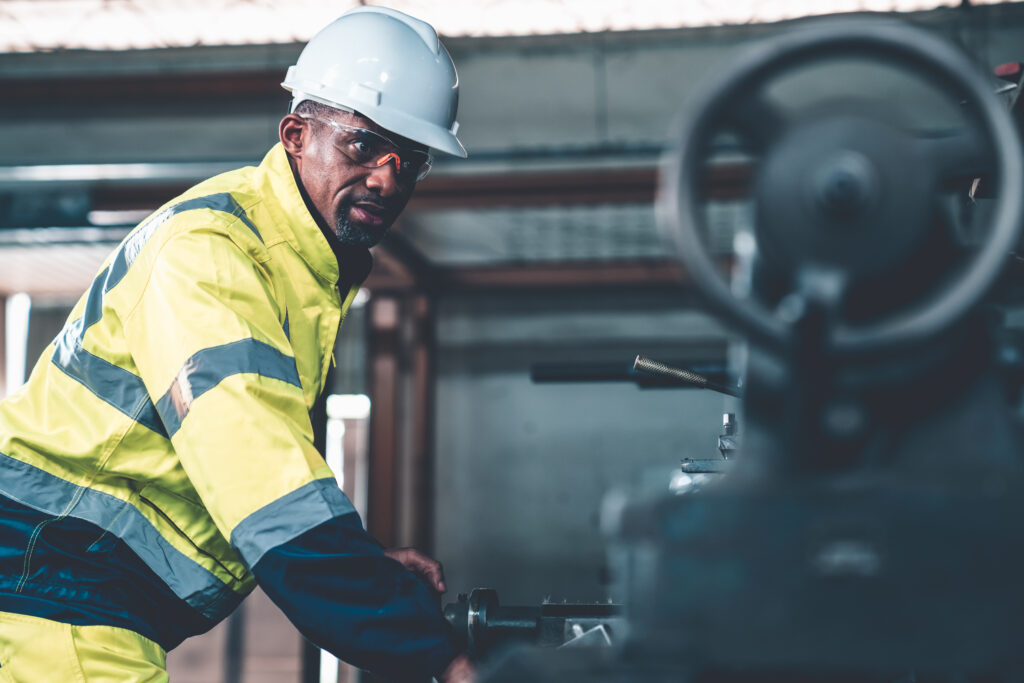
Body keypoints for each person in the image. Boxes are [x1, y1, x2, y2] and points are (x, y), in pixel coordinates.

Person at [0, 6, 474, 682]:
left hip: (65, 597)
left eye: (412, 160)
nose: (387, 179)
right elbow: (264, 486)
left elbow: (258, 476)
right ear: (295, 135)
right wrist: (441, 657)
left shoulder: (297, 274)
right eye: (363, 147)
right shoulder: (215, 258)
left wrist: (363, 574)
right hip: (48, 598)